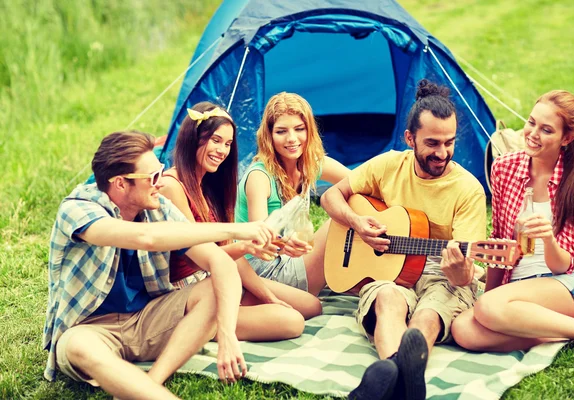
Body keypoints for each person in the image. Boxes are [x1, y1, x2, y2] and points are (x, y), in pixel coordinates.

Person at [43, 131, 275, 400]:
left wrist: (227, 334)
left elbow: (219, 260)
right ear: (120, 183)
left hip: (148, 319)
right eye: (152, 177)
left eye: (161, 171)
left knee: (217, 287)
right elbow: (147, 238)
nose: (160, 182)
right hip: (90, 327)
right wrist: (241, 229)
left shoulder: (158, 205)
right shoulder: (78, 209)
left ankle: (152, 380)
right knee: (79, 349)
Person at [320, 79, 487, 400]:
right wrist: (358, 223)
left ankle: (390, 376)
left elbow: (465, 274)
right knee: (387, 300)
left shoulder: (468, 190)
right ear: (410, 138)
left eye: (450, 142)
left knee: (428, 313)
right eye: (433, 143)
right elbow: (332, 196)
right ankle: (403, 378)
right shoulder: (388, 165)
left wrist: (460, 271)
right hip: (389, 273)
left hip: (442, 274)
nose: (443, 153)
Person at [159, 102, 322, 342]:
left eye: (227, 144)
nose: (222, 151)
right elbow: (199, 257)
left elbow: (231, 259)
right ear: (193, 138)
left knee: (311, 305)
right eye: (215, 140)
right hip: (189, 292)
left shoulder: (210, 186)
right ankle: (200, 326)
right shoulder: (172, 186)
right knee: (292, 322)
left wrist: (268, 296)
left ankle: (229, 316)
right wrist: (247, 246)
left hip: (221, 278)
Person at [451, 90, 574, 352]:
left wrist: (548, 239)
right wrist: (491, 293)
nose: (532, 134)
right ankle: (554, 330)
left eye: (546, 130)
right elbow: (499, 241)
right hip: (518, 286)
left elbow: (563, 265)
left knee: (489, 308)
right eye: (531, 122)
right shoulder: (504, 168)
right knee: (463, 329)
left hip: (566, 282)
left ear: (566, 138)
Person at [235, 92, 350, 296]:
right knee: (339, 221)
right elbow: (261, 242)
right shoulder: (259, 177)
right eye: (281, 131)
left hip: (293, 259)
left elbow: (359, 181)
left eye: (299, 129)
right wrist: (285, 243)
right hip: (264, 272)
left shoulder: (310, 164)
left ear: (309, 131)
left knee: (357, 202)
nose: (292, 139)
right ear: (269, 135)